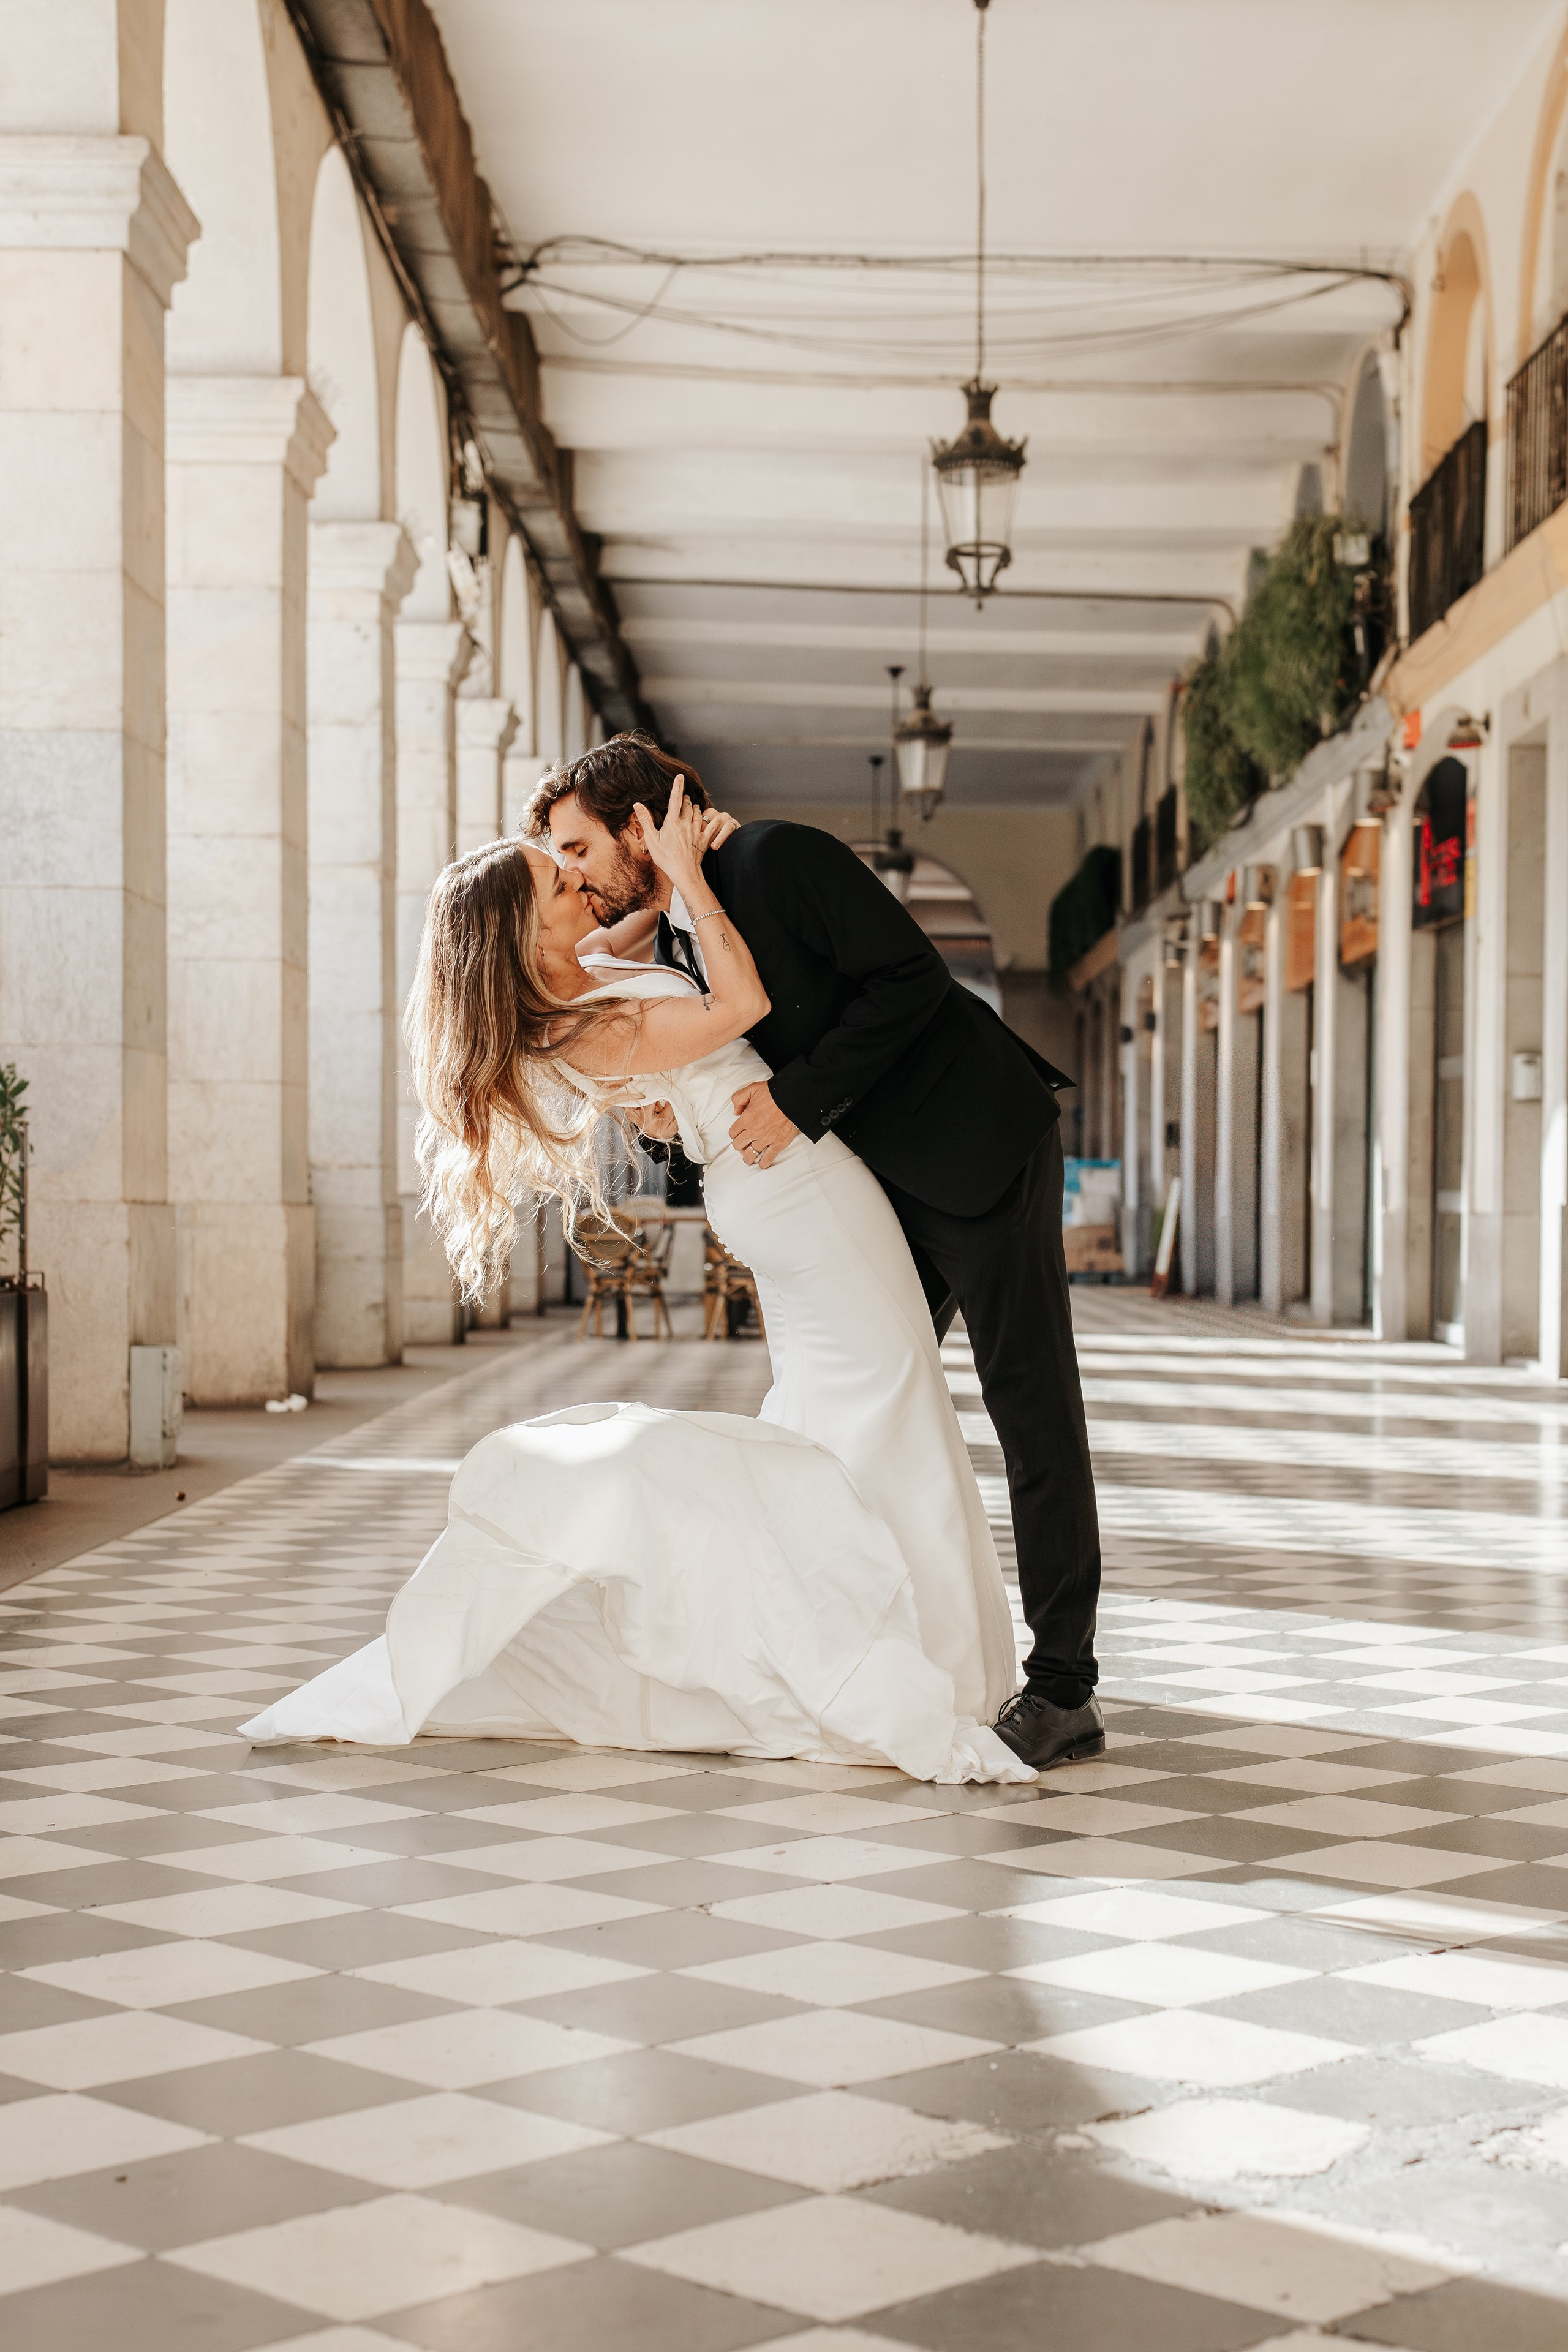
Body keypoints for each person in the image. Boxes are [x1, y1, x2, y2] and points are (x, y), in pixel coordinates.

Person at [241, 782, 1032, 1784]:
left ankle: (878, 1638)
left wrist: (671, 866)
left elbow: (656, 925)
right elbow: (741, 1004)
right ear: (522, 935)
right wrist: (698, 874)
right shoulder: (580, 1021)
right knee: (898, 1395)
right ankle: (927, 1668)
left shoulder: (585, 977)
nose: (574, 874)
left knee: (846, 1411)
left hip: (773, 1184)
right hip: (795, 1183)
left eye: (567, 857)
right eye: (552, 876)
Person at [537, 733, 1102, 1773]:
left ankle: (1065, 1688)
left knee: (1030, 1407)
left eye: (578, 847)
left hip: (978, 1151)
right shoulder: (673, 924)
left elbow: (915, 980)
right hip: (879, 1183)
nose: (574, 873)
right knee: (876, 1404)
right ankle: (878, 1642)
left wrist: (793, 1106)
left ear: (638, 825)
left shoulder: (779, 859)